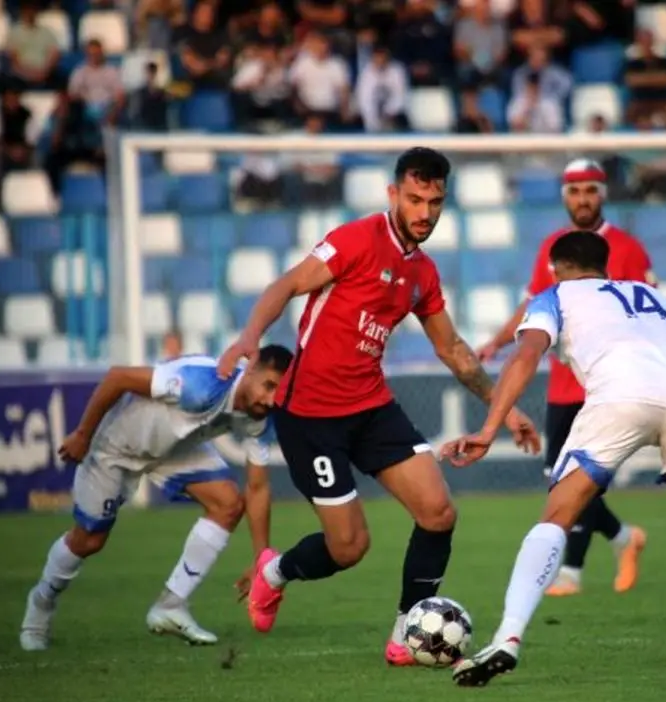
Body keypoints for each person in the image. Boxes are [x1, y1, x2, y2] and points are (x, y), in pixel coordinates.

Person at [219, 147, 541, 666]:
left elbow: (453, 349)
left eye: (435, 202)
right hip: (311, 416)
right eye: (415, 199)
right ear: (394, 194)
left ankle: (404, 636)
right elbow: (287, 284)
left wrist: (503, 407)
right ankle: (273, 573)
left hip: (370, 406)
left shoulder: (423, 273)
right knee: (349, 548)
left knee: (438, 513)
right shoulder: (354, 241)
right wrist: (250, 337)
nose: (425, 212)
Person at [442, 231, 666, 687]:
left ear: (555, 267)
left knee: (557, 515)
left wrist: (490, 428)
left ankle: (507, 639)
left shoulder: (556, 295)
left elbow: (525, 355)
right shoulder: (655, 297)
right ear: (607, 266)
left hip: (620, 398)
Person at [18, 346, 292, 651]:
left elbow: (257, 488)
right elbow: (118, 377)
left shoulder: (260, 418)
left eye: (278, 393)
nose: (270, 400)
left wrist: (261, 561)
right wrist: (83, 434)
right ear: (251, 368)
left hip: (171, 450)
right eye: (268, 386)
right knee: (89, 540)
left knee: (228, 504)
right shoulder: (200, 384)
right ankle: (41, 603)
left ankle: (171, 605)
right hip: (116, 447)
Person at [477, 159, 651, 598]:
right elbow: (535, 305)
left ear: (602, 194)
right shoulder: (552, 249)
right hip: (562, 385)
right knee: (561, 477)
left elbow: (647, 314)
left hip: (608, 385)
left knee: (577, 478)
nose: (583, 199)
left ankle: (571, 571)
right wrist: (498, 342)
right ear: (565, 197)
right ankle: (622, 538)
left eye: (590, 190)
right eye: (575, 192)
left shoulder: (629, 250)